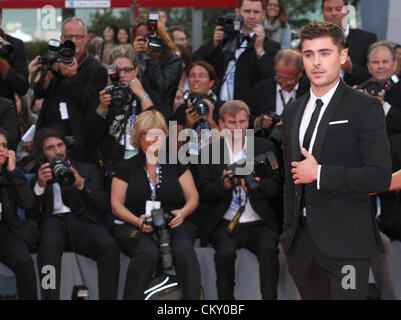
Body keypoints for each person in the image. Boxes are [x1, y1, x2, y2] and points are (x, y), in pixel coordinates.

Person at [281, 21, 391, 299]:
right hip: (301, 245)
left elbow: (379, 175)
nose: (316, 62)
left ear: (342, 56)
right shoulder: (292, 111)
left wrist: (320, 174)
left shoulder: (364, 106)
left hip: (348, 244)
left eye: (325, 53)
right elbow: (289, 177)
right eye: (308, 54)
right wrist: (289, 233)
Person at [111, 110, 201, 299]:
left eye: (158, 134)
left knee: (184, 252)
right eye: (147, 134)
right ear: (138, 137)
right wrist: (137, 221)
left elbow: (193, 196)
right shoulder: (127, 166)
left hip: (174, 221)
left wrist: (183, 213)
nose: (153, 139)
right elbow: (116, 204)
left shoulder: (175, 162)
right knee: (148, 253)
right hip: (136, 223)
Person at [196, 100, 281, 300]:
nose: (239, 127)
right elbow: (203, 191)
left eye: (243, 122)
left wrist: (259, 185)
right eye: (232, 123)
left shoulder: (263, 146)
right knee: (224, 254)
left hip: (258, 220)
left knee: (269, 249)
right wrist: (223, 186)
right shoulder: (209, 151)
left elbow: (276, 184)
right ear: (222, 124)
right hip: (224, 221)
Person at [27, 128, 120, 300]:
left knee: (109, 247)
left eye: (60, 145)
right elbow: (31, 215)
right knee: (48, 249)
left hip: (83, 221)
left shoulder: (88, 170)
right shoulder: (38, 176)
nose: (57, 151)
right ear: (43, 153)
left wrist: (81, 184)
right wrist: (40, 186)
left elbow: (105, 204)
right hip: (53, 222)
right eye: (50, 148)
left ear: (66, 147)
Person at [32, 17, 107, 163]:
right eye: (68, 37)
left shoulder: (95, 68)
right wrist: (48, 73)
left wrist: (72, 76)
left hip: (78, 142)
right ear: (61, 38)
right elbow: (38, 92)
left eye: (78, 36)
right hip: (48, 140)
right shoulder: (55, 60)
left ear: (85, 39)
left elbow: (88, 102)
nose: (73, 40)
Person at [86, 46, 155, 189]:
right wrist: (101, 109)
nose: (122, 74)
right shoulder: (104, 96)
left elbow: (157, 128)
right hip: (112, 169)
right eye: (117, 71)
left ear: (136, 70)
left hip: (143, 169)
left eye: (127, 70)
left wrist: (142, 95)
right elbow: (91, 138)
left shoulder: (147, 94)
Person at [193, 0, 280, 105]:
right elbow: (195, 63)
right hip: (218, 106)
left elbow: (273, 79)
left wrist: (260, 50)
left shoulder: (270, 46)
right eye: (247, 11)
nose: (251, 16)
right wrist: (214, 44)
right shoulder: (224, 39)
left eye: (256, 12)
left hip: (248, 110)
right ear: (238, 12)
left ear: (263, 14)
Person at [0, 127, 39, 299]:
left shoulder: (13, 173)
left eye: (4, 145)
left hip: (7, 229)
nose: (1, 149)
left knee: (24, 263)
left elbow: (27, 202)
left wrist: (14, 172)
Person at [250, 49, 310, 141]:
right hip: (268, 146)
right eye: (280, 78)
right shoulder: (260, 89)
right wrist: (258, 121)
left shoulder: (312, 89)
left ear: (300, 74)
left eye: (290, 80)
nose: (284, 84)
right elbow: (248, 118)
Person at [131, 13, 182, 120]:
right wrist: (132, 56)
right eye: (140, 38)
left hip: (160, 117)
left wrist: (153, 58)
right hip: (136, 116)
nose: (145, 42)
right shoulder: (134, 57)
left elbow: (161, 87)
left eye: (147, 37)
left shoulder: (172, 59)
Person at [322, 0, 377, 86]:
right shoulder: (313, 40)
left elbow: (376, 74)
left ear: (347, 11)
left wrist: (351, 68)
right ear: (323, 12)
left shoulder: (367, 38)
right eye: (329, 9)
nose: (334, 13)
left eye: (338, 9)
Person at [173, 61, 221, 153]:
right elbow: (175, 150)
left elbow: (228, 143)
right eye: (192, 76)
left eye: (202, 76)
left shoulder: (221, 107)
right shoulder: (182, 109)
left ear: (211, 82)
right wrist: (188, 127)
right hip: (189, 163)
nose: (196, 79)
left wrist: (210, 122)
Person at [358, 41, 401, 137]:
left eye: (385, 62)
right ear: (369, 67)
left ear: (394, 65)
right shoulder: (362, 89)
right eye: (375, 62)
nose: (381, 66)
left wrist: (383, 105)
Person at [0, 4, 29, 103]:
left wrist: (3, 65)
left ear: (0, 18)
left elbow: (23, 88)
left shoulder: (14, 45)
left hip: (5, 112)